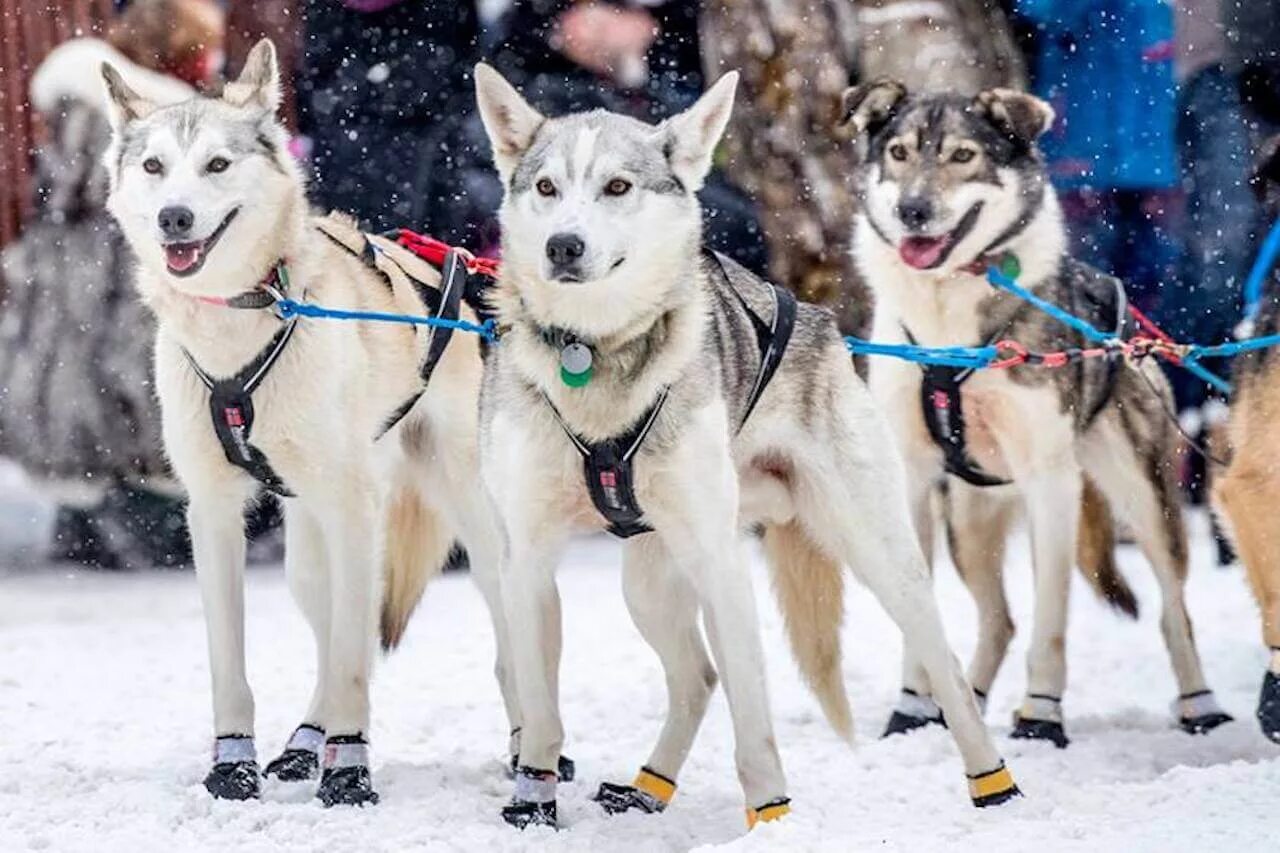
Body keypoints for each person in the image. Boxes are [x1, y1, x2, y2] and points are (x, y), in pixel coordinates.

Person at [0, 0, 224, 568]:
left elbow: (65, 198)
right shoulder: (154, 126)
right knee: (141, 395)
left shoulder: (85, 107)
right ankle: (150, 530)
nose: (213, 62)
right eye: (205, 50)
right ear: (175, 53)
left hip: (65, 283)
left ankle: (88, 524)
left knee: (80, 402)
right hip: (117, 284)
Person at [487, 0, 769, 275]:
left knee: (738, 227)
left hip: (674, 102)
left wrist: (653, 30)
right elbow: (512, 44)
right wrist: (558, 30)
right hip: (566, 95)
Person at [1016, 0, 1182, 378]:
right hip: (1080, 156)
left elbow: (1162, 56)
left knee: (1153, 305)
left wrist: (1162, 164)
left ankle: (1151, 400)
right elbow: (1043, 12)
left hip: (1148, 160)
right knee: (1082, 304)